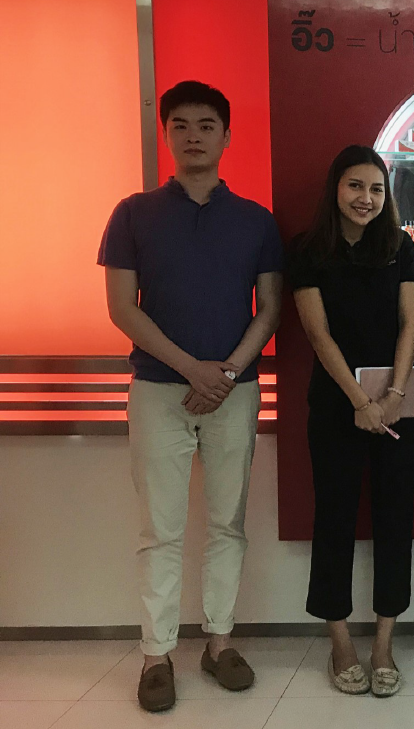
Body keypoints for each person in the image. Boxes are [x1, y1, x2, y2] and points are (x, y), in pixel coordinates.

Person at [98, 80, 283, 712]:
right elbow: (123, 307)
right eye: (180, 125)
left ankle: (220, 642)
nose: (193, 136)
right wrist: (190, 370)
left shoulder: (256, 220)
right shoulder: (133, 213)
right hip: (157, 390)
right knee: (161, 529)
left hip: (235, 392)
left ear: (227, 136)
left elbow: (270, 307)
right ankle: (157, 654)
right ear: (166, 134)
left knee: (228, 522)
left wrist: (225, 373)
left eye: (206, 125)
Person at [287, 145, 414, 698]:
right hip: (336, 404)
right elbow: (317, 333)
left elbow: (410, 323)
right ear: (335, 189)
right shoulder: (308, 250)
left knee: (395, 519)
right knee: (334, 519)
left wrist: (393, 395)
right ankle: (340, 641)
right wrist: (358, 401)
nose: (366, 198)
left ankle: (384, 643)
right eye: (355, 186)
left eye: (376, 189)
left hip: (396, 404)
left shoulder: (400, 247)